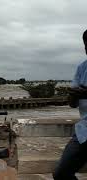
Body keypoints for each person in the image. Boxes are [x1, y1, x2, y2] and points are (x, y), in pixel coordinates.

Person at [53, 29, 87, 180]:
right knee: (61, 173)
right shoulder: (82, 68)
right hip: (84, 130)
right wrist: (73, 95)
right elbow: (72, 105)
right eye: (86, 46)